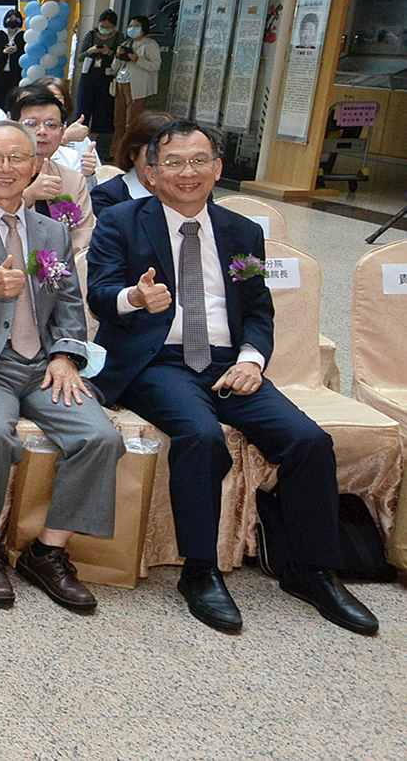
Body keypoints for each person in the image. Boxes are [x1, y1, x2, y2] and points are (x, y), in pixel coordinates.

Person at [86, 119, 377, 635]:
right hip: (158, 361)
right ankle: (200, 572)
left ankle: (312, 570)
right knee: (199, 436)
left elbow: (259, 310)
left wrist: (250, 360)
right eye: (172, 162)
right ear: (151, 172)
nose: (187, 172)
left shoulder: (243, 232)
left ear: (218, 168)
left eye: (199, 161)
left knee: (308, 440)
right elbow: (100, 292)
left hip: (230, 363)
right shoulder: (122, 222)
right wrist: (134, 298)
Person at [0, 120, 122, 610]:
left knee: (101, 438)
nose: (5, 168)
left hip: (42, 364)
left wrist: (65, 356)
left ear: (35, 165)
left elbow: (70, 305)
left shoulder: (52, 229)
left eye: (17, 158)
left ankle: (47, 552)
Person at [12, 86, 96, 254]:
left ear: (62, 132)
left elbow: (84, 239)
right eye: (32, 124)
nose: (42, 131)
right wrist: (28, 197)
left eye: (51, 125)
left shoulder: (73, 180)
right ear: (14, 127)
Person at [93, 109, 169, 214]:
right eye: (154, 151)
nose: (162, 160)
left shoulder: (186, 193)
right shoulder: (106, 198)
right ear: (133, 153)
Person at [112, 15, 163, 162]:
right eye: (130, 26)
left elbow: (155, 65)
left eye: (135, 26)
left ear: (142, 28)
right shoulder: (126, 42)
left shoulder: (149, 45)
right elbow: (115, 67)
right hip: (121, 83)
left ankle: (129, 154)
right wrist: (118, 56)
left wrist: (137, 59)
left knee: (132, 121)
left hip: (136, 87)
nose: (131, 29)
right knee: (119, 121)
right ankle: (115, 151)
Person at [76, 9, 123, 140]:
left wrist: (110, 53)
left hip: (107, 77)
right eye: (102, 26)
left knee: (102, 109)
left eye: (108, 27)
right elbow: (80, 56)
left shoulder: (119, 37)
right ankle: (79, 137)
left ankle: (95, 139)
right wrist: (90, 51)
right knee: (83, 106)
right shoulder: (91, 35)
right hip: (88, 76)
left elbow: (121, 58)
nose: (104, 29)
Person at [0, 10, 27, 107]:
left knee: (13, 98)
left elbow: (26, 53)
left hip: (15, 72)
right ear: (5, 20)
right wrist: (3, 52)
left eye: (16, 18)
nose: (13, 20)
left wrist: (17, 51)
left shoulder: (23, 35)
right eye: (10, 17)